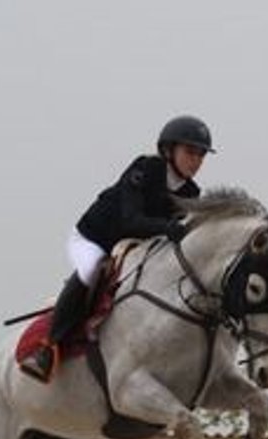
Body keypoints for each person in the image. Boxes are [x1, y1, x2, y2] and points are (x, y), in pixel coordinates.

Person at [22, 115, 215, 383]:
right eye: (190, 152)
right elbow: (130, 220)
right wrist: (169, 228)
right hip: (95, 239)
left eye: (201, 155)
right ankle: (47, 347)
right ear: (169, 150)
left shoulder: (191, 192)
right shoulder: (145, 169)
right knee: (91, 269)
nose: (196, 161)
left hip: (134, 249)